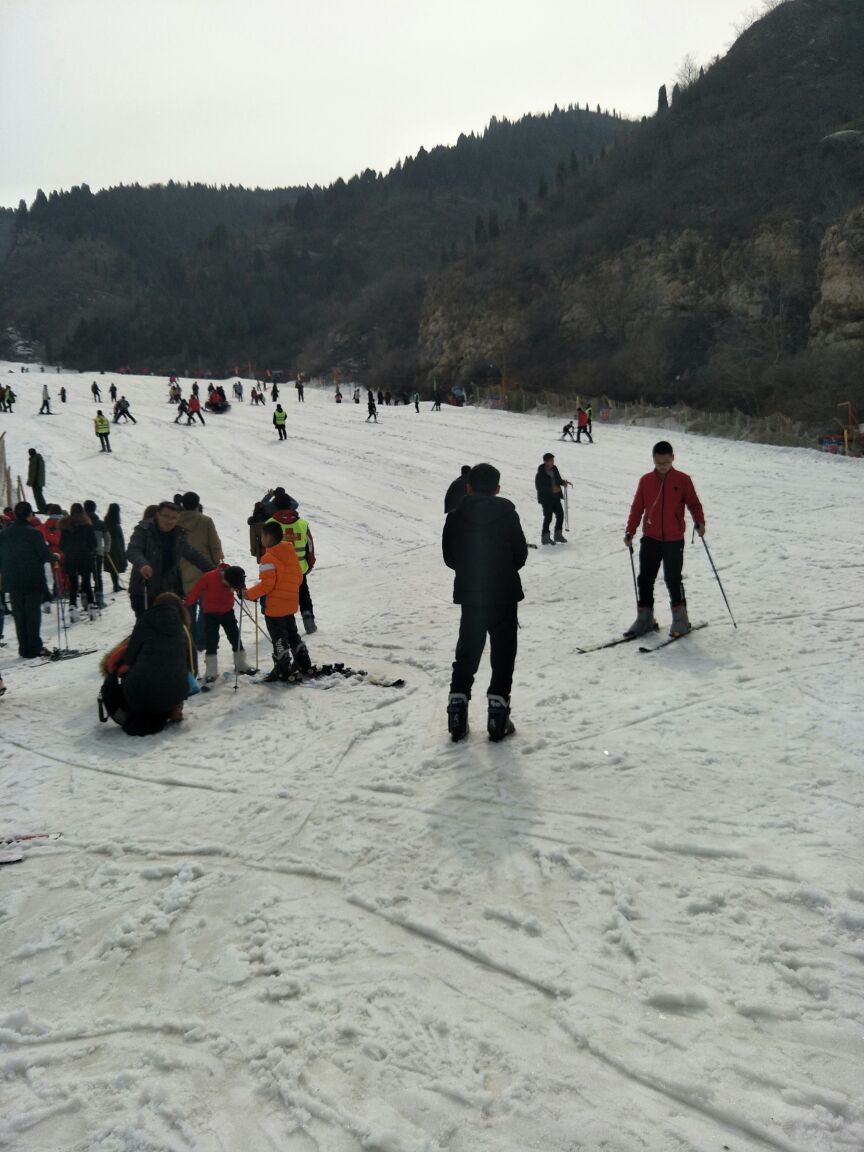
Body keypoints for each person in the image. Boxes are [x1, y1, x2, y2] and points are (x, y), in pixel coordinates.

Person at [443, 463, 527, 743]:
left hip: (471, 595)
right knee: (503, 655)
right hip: (503, 594)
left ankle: (457, 713)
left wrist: (469, 570)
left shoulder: (455, 516)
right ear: (497, 488)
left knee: (467, 653)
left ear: (468, 487)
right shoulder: (508, 514)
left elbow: (449, 558)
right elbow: (520, 555)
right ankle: (497, 718)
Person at [623, 440, 705, 638]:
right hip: (650, 538)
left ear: (673, 459)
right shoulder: (645, 481)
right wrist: (630, 531)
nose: (663, 466)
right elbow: (637, 508)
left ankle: (680, 620)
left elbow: (694, 503)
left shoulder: (683, 480)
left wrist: (700, 522)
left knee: (672, 579)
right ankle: (645, 619)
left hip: (674, 539)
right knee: (645, 579)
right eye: (659, 462)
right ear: (653, 460)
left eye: (666, 462)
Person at [242, 520, 309, 681]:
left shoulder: (268, 558)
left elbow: (267, 585)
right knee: (293, 634)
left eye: (262, 536)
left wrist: (248, 594)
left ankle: (282, 668)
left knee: (279, 638)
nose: (261, 539)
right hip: (290, 604)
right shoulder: (290, 553)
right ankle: (303, 662)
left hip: (274, 608)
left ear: (269, 537)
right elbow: (299, 578)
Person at [126, 501, 215, 618]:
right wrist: (143, 564)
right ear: (158, 514)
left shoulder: (178, 534)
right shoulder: (144, 530)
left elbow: (193, 554)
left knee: (168, 625)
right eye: (166, 516)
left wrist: (213, 571)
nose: (169, 521)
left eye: (174, 518)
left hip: (168, 589)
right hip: (144, 588)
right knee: (146, 626)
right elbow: (133, 550)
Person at [120, 592, 192, 733]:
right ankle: (173, 708)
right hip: (175, 691)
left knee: (128, 673)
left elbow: (129, 657)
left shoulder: (144, 622)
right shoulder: (182, 628)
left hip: (140, 691)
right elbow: (192, 663)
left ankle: (137, 707)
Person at [0, 501, 55, 658]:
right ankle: (35, 647)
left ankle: (23, 648)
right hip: (32, 578)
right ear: (30, 515)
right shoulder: (34, 533)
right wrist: (55, 557)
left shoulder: (4, 534)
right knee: (32, 614)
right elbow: (44, 555)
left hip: (12, 580)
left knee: (19, 615)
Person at [184, 564, 251, 680]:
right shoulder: (209, 577)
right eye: (228, 585)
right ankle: (211, 671)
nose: (229, 588)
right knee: (211, 641)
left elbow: (241, 587)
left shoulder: (236, 576)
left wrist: (244, 592)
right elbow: (196, 591)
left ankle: (241, 664)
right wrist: (186, 603)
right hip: (210, 614)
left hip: (227, 612)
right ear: (224, 577)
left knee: (235, 637)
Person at [177, 492, 224, 651]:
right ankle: (202, 640)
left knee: (188, 606)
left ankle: (190, 639)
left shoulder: (175, 521)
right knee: (205, 608)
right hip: (205, 570)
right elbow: (215, 545)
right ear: (198, 504)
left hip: (182, 571)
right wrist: (216, 565)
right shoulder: (205, 521)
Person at [265, 493, 317, 632]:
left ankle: (287, 627)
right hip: (299, 567)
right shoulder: (302, 523)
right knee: (303, 593)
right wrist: (310, 563)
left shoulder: (270, 523)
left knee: (282, 597)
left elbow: (266, 548)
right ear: (290, 505)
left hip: (278, 569)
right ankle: (308, 619)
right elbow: (310, 547)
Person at [59, 503, 98, 621]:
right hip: (85, 558)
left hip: (71, 558)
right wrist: (89, 550)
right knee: (86, 583)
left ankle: (72, 607)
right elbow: (94, 543)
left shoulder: (65, 527)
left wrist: (69, 551)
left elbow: (62, 545)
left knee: (73, 584)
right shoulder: (87, 525)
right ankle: (91, 607)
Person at [534, 453, 571, 545]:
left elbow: (558, 479)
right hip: (546, 499)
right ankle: (545, 537)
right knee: (548, 517)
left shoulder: (554, 469)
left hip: (556, 497)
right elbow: (539, 487)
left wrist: (563, 482)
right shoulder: (540, 474)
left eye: (553, 460)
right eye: (551, 461)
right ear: (546, 462)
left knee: (560, 515)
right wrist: (551, 489)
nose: (553, 462)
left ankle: (558, 535)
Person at [83, 500, 109, 607]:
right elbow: (107, 537)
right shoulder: (100, 523)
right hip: (98, 553)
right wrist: (106, 549)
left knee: (85, 576)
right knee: (97, 575)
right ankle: (99, 599)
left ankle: (85, 600)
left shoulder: (82, 522)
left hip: (84, 553)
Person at [104, 503, 126, 592]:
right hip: (115, 548)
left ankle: (116, 585)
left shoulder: (107, 521)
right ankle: (116, 585)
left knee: (113, 567)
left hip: (111, 547)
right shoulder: (114, 523)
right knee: (115, 566)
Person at [27, 448, 47, 513]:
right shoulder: (39, 458)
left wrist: (30, 482)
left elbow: (33, 472)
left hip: (36, 481)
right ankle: (43, 508)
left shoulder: (34, 459)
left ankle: (42, 509)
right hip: (39, 481)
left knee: (38, 496)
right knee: (39, 495)